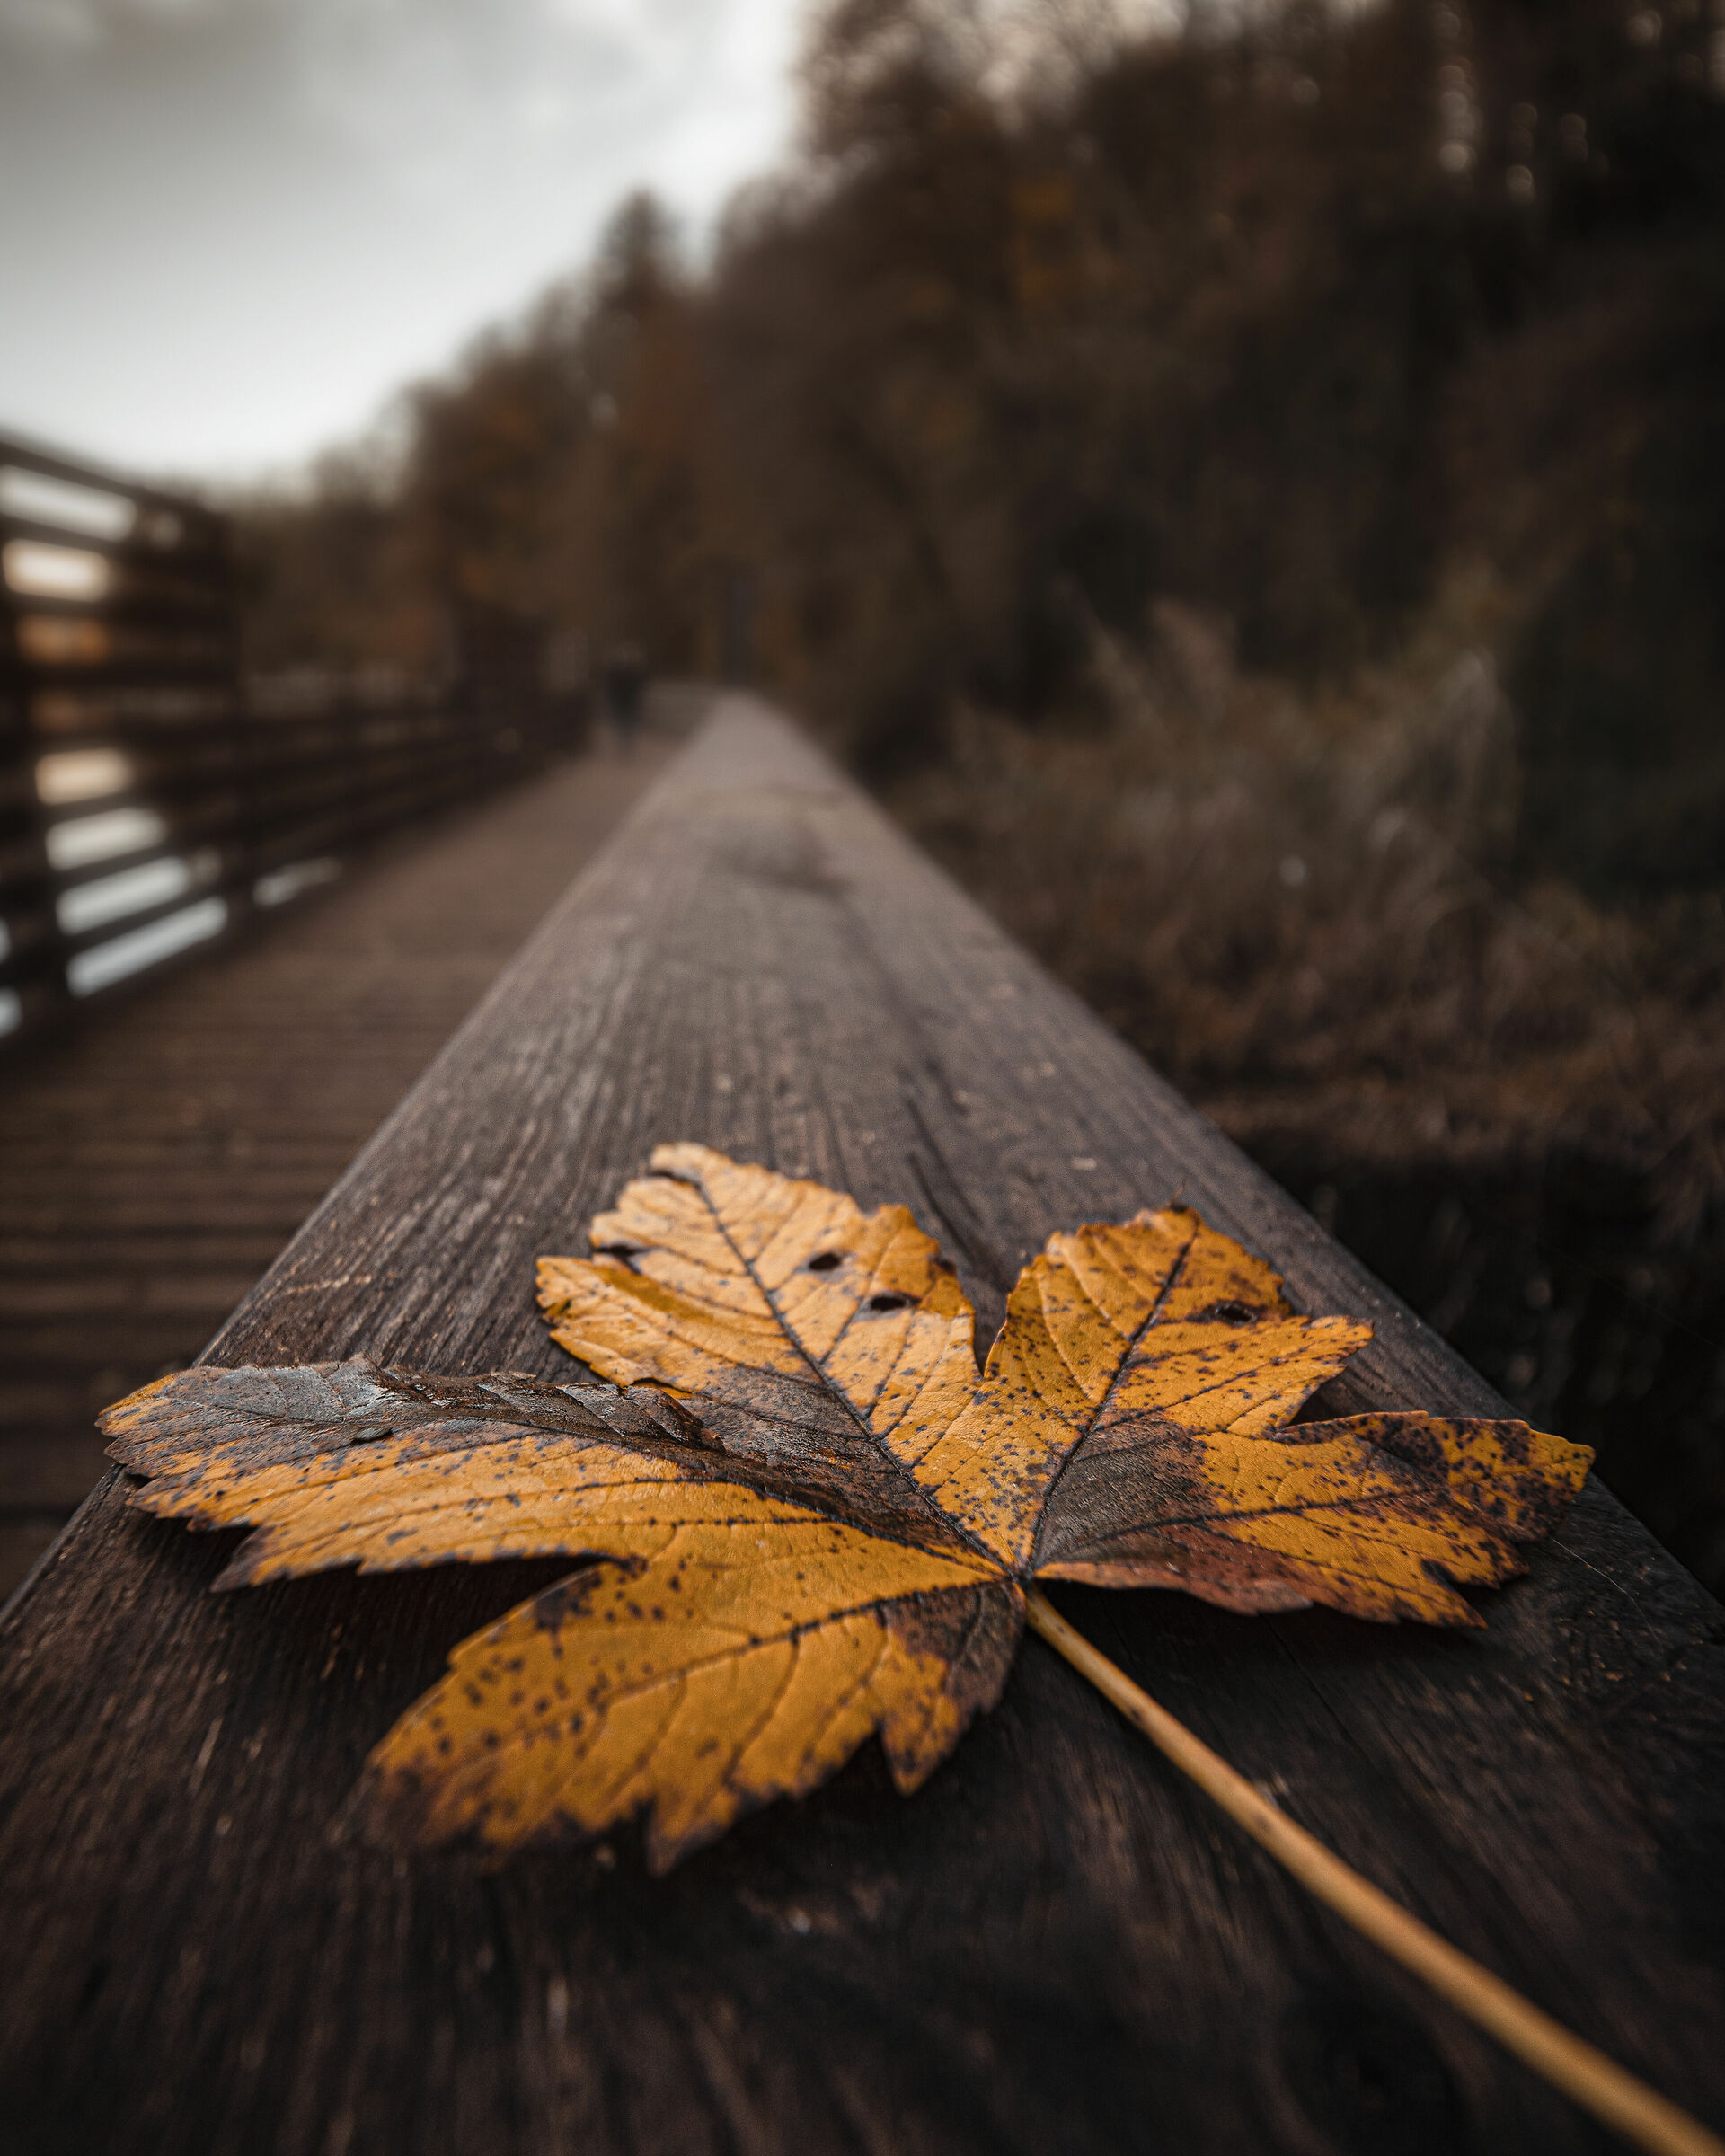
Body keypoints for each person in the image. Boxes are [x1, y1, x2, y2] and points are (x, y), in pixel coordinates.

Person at [602, 641, 646, 755]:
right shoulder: (614, 669)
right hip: (619, 700)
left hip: (630, 700)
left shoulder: (635, 670)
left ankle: (627, 744)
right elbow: (609, 685)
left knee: (629, 724)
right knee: (620, 723)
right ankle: (623, 744)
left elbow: (640, 685)